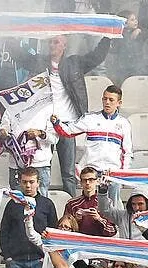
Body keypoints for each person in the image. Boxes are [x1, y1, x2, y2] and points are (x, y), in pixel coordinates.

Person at [34, 35, 112, 195]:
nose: (52, 45)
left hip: (67, 125)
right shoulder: (39, 63)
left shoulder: (74, 63)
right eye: (49, 41)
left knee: (68, 173)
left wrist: (108, 37)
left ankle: (71, 209)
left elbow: (97, 56)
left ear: (64, 45)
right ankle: (42, 209)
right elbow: (20, 57)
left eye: (56, 42)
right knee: (42, 169)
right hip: (45, 125)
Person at [51, 85, 132, 177]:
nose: (107, 102)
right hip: (91, 172)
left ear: (119, 103)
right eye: (105, 99)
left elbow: (127, 152)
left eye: (111, 100)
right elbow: (67, 131)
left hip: (113, 173)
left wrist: (124, 173)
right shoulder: (90, 118)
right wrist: (56, 122)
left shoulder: (124, 123)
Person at [0, 168, 58, 268]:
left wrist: (47, 256)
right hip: (16, 260)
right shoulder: (12, 204)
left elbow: (53, 231)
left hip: (40, 259)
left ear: (38, 183)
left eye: (31, 182)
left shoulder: (47, 204)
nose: (28, 185)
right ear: (20, 183)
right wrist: (8, 256)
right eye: (25, 182)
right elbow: (4, 231)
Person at [64, 167, 117, 238]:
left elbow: (112, 231)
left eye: (91, 180)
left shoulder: (106, 203)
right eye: (84, 180)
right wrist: (76, 220)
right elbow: (64, 229)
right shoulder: (72, 203)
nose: (87, 183)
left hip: (100, 243)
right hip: (78, 243)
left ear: (97, 181)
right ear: (80, 183)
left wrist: (99, 218)